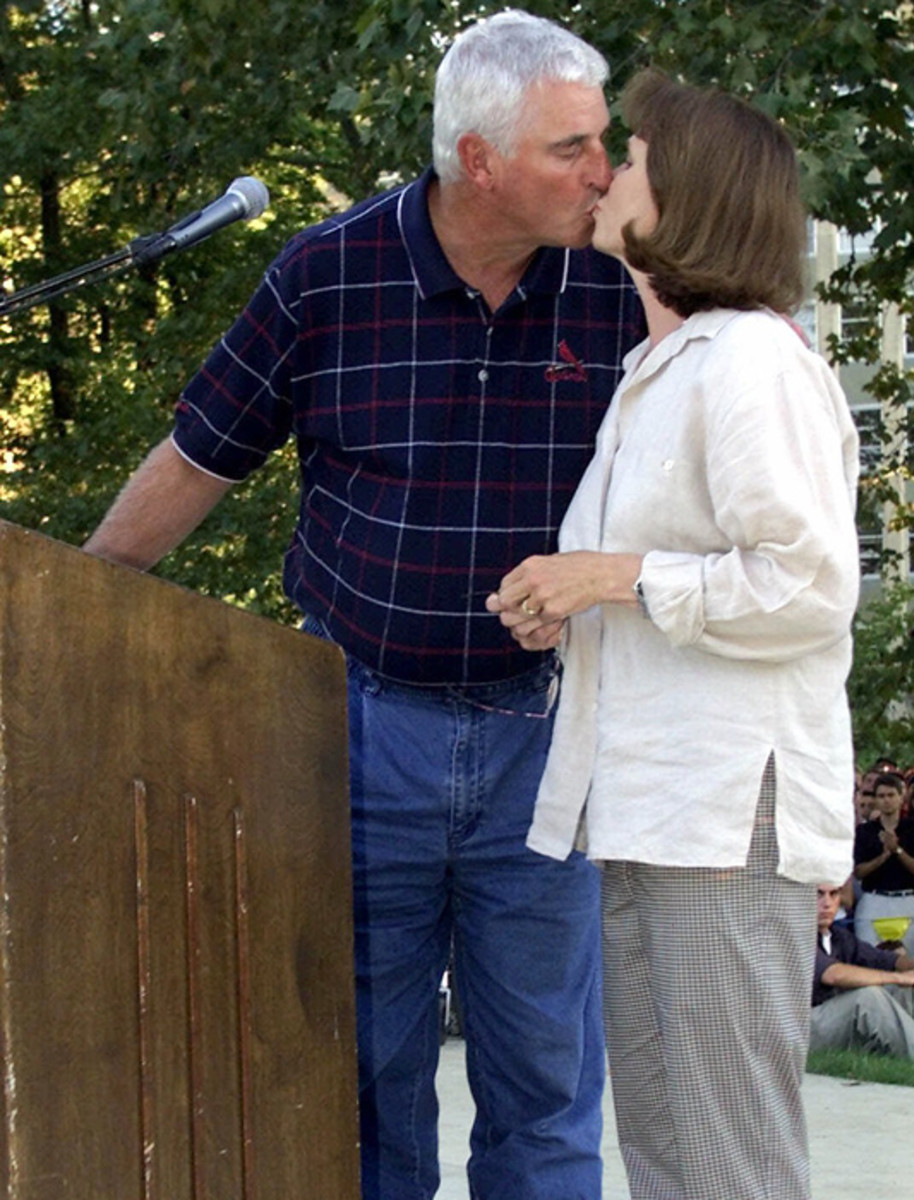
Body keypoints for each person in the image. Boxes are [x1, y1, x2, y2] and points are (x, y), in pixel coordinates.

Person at [81, 12, 645, 1199]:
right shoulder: (326, 272)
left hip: (553, 739)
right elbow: (198, 458)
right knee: (360, 1096)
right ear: (478, 160)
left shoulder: (623, 282)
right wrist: (77, 606)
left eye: (605, 143)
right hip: (356, 738)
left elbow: (737, 423)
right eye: (571, 149)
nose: (602, 171)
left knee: (545, 1099)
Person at [488, 70, 860, 1200]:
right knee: (668, 1149)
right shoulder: (660, 370)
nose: (608, 172)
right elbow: (669, 587)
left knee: (725, 1156)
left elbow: (805, 585)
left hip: (724, 816)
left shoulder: (753, 361)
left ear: (686, 199)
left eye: (634, 156)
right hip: (651, 809)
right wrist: (566, 605)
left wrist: (609, 574)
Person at [812, 885, 914, 1064]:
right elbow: (833, 974)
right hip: (800, 1030)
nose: (827, 903)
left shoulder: (838, 936)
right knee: (868, 997)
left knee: (905, 990)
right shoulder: (795, 934)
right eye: (819, 894)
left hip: (829, 1024)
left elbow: (887, 959)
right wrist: (900, 977)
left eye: (833, 894)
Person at [853, 771, 914, 958]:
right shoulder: (865, 831)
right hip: (873, 899)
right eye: (881, 796)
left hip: (905, 900)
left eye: (891, 795)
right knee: (869, 956)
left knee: (905, 958)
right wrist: (883, 856)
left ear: (901, 798)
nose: (886, 800)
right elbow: (859, 871)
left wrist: (897, 850)